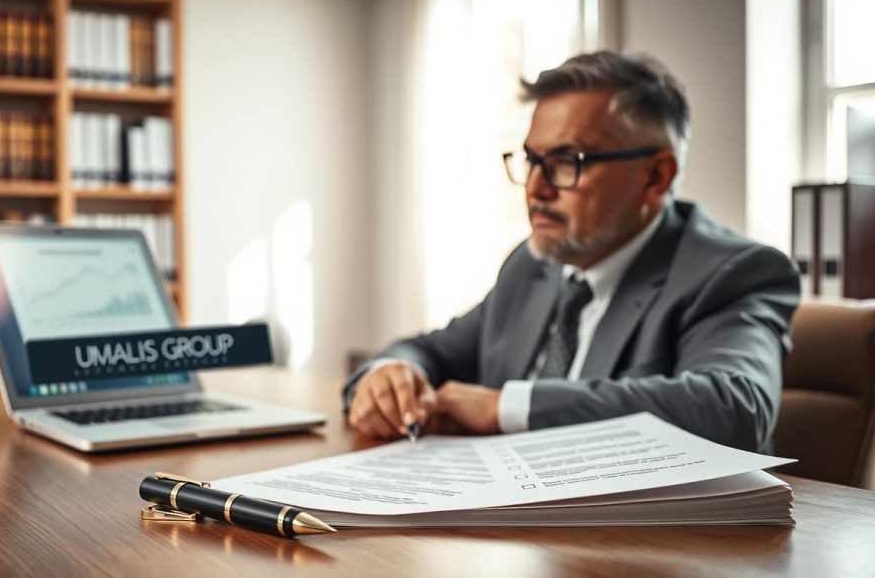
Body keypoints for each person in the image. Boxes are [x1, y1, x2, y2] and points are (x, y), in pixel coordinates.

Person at [343, 51, 800, 453]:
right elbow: (433, 350)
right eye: (532, 161)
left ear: (655, 177)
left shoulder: (732, 271)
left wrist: (506, 407)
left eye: (567, 162)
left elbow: (736, 409)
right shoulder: (533, 265)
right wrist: (391, 374)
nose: (537, 188)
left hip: (647, 542)